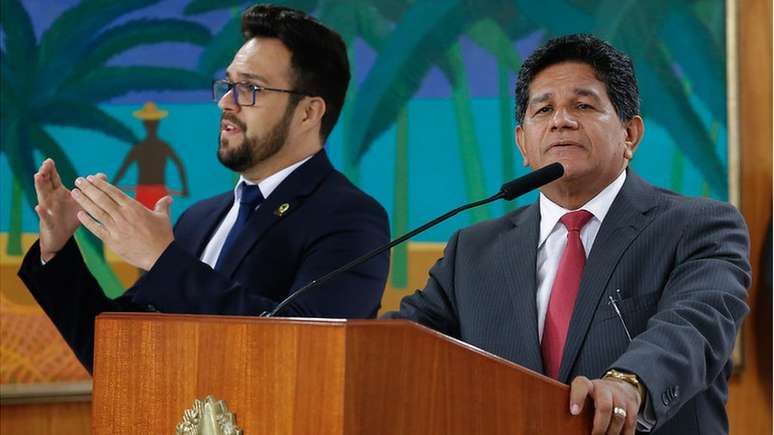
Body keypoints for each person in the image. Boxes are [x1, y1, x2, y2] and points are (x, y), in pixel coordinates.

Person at [384, 34, 750, 435]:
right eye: (543, 109)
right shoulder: (473, 251)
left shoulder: (699, 226)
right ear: (523, 143)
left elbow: (694, 326)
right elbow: (397, 346)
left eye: (583, 105)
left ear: (630, 135)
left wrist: (628, 384)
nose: (562, 120)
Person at [19, 4, 390, 373]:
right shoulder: (200, 219)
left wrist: (162, 260)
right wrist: (58, 250)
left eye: (250, 88)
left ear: (309, 113)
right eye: (228, 85)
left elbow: (305, 350)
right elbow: (117, 358)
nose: (226, 102)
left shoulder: (352, 219)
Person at [112, 101, 189, 209]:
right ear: (158, 123)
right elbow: (180, 165)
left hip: (143, 192)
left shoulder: (138, 148)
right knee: (161, 224)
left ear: (144, 124)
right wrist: (185, 188)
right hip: (160, 193)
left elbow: (123, 169)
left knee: (141, 224)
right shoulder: (164, 146)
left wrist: (112, 184)